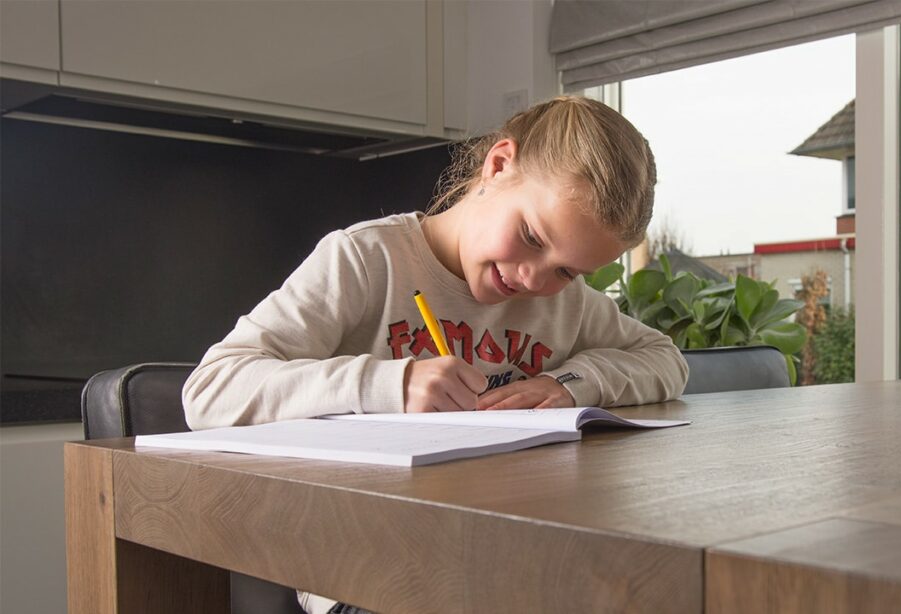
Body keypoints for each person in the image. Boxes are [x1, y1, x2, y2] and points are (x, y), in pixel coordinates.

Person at [182, 95, 689, 614]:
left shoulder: (566, 304)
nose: (534, 279)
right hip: (366, 569)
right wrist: (389, 386)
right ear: (498, 166)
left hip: (508, 560)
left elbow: (663, 357)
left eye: (567, 271)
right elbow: (211, 389)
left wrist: (571, 384)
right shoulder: (366, 260)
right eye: (532, 237)